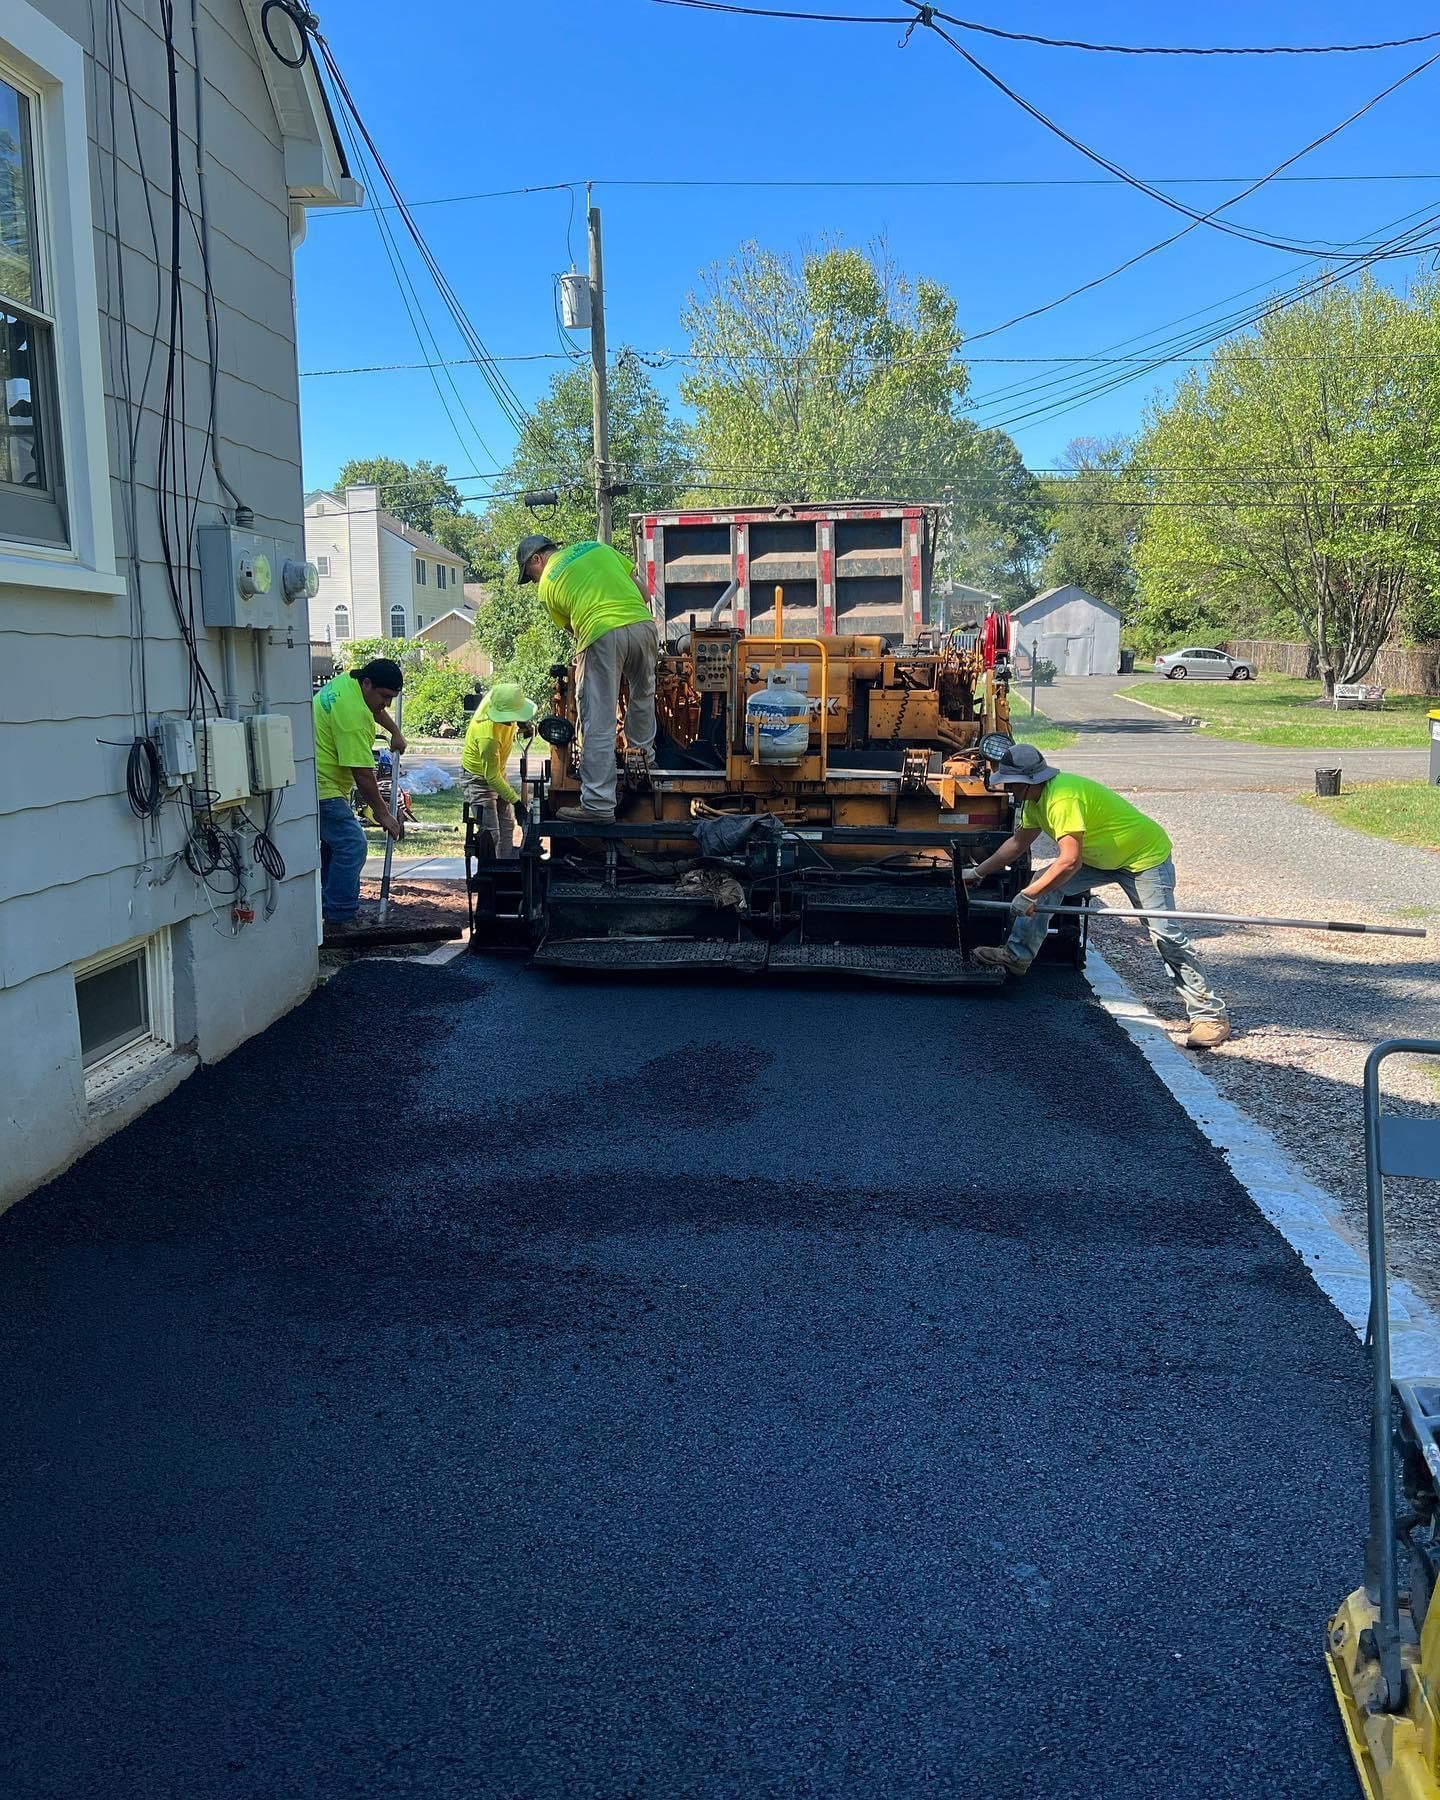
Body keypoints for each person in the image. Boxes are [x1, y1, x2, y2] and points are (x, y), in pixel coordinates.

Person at [966, 742, 1231, 1049]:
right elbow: (1016, 844)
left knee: (1164, 934)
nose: (1007, 789)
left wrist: (1029, 895)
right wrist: (977, 873)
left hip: (1144, 858)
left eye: (1010, 783)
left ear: (1029, 781)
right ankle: (1016, 956)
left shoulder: (1062, 798)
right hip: (1101, 857)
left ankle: (1209, 1016)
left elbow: (1069, 861)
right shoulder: (1033, 802)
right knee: (1044, 884)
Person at [517, 532, 658, 823]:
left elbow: (576, 632)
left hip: (601, 631)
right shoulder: (599, 548)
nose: (533, 582)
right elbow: (644, 594)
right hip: (643, 627)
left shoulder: (548, 584)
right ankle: (646, 766)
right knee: (643, 699)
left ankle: (597, 805)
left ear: (537, 559)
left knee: (599, 719)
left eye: (530, 575)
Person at [312, 657, 406, 930]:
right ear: (367, 683)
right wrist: (384, 815)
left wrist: (394, 732)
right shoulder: (352, 714)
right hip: (323, 788)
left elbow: (375, 709)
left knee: (334, 848)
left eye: (392, 699)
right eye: (385, 696)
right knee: (353, 845)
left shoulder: (348, 683)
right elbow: (362, 774)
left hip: (317, 782)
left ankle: (326, 910)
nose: (386, 704)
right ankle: (340, 918)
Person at [460, 680, 537, 858]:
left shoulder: (498, 698)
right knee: (491, 833)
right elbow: (491, 776)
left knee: (507, 825)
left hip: (498, 772)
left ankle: (506, 867)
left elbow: (509, 706)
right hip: (478, 778)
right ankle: (492, 873)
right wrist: (517, 803)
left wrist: (522, 725)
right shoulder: (487, 734)